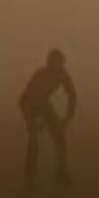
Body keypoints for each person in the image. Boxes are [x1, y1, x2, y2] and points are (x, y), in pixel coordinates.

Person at [18, 48, 78, 189]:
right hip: (28, 104)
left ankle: (61, 173)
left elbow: (72, 95)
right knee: (34, 141)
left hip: (43, 103)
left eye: (60, 63)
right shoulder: (41, 74)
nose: (57, 66)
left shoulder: (62, 74)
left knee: (60, 138)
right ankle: (29, 179)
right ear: (49, 62)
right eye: (54, 63)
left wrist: (67, 117)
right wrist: (34, 122)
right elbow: (31, 98)